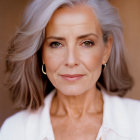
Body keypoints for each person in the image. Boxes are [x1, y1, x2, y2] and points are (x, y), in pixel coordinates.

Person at [0, 0, 140, 139]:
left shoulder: (136, 121)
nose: (71, 61)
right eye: (56, 44)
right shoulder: (15, 130)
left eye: (86, 43)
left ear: (106, 50)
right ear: (41, 53)